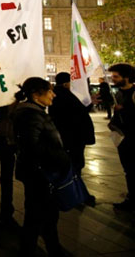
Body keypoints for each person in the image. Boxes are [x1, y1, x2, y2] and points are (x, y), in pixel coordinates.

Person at [12, 77, 70, 257]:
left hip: (39, 172)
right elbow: (33, 146)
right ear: (36, 95)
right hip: (39, 174)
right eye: (50, 91)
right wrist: (61, 157)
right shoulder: (31, 115)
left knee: (47, 215)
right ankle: (29, 251)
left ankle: (53, 248)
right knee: (36, 216)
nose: (53, 94)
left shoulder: (34, 111)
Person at [49, 72, 96, 206]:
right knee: (74, 167)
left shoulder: (62, 95)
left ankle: (79, 194)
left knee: (74, 166)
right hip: (72, 138)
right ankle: (76, 195)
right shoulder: (63, 95)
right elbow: (76, 113)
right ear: (65, 83)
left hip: (71, 137)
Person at [108, 63, 135, 211]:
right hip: (123, 138)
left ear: (127, 77)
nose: (113, 79)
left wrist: (124, 110)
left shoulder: (133, 93)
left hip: (133, 138)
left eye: (116, 76)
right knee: (128, 171)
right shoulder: (118, 93)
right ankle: (131, 198)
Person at [0, 101, 20, 226]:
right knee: (6, 177)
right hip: (5, 138)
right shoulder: (2, 97)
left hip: (22, 139)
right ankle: (6, 210)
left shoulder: (25, 96)